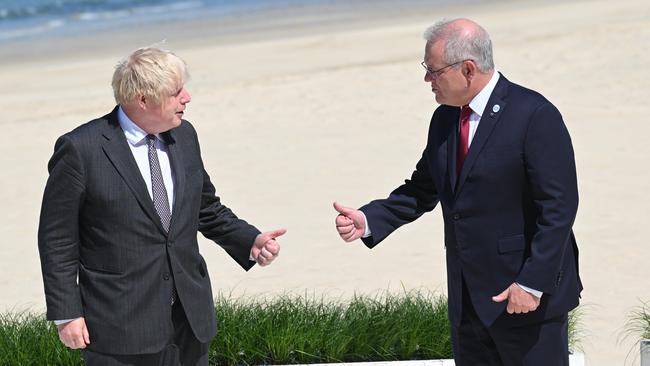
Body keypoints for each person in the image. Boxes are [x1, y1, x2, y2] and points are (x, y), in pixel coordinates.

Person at [334, 18, 581, 366]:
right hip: (468, 302)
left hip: (524, 298)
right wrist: (368, 219)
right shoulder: (444, 119)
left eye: (433, 71)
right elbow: (422, 189)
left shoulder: (534, 115)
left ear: (467, 69)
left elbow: (559, 207)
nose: (426, 79)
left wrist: (531, 283)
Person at [37, 46, 284, 366]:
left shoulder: (185, 136)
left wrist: (250, 240)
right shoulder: (81, 149)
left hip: (188, 320)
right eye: (176, 92)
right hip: (118, 326)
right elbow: (57, 238)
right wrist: (67, 314)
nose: (187, 97)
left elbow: (205, 208)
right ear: (143, 100)